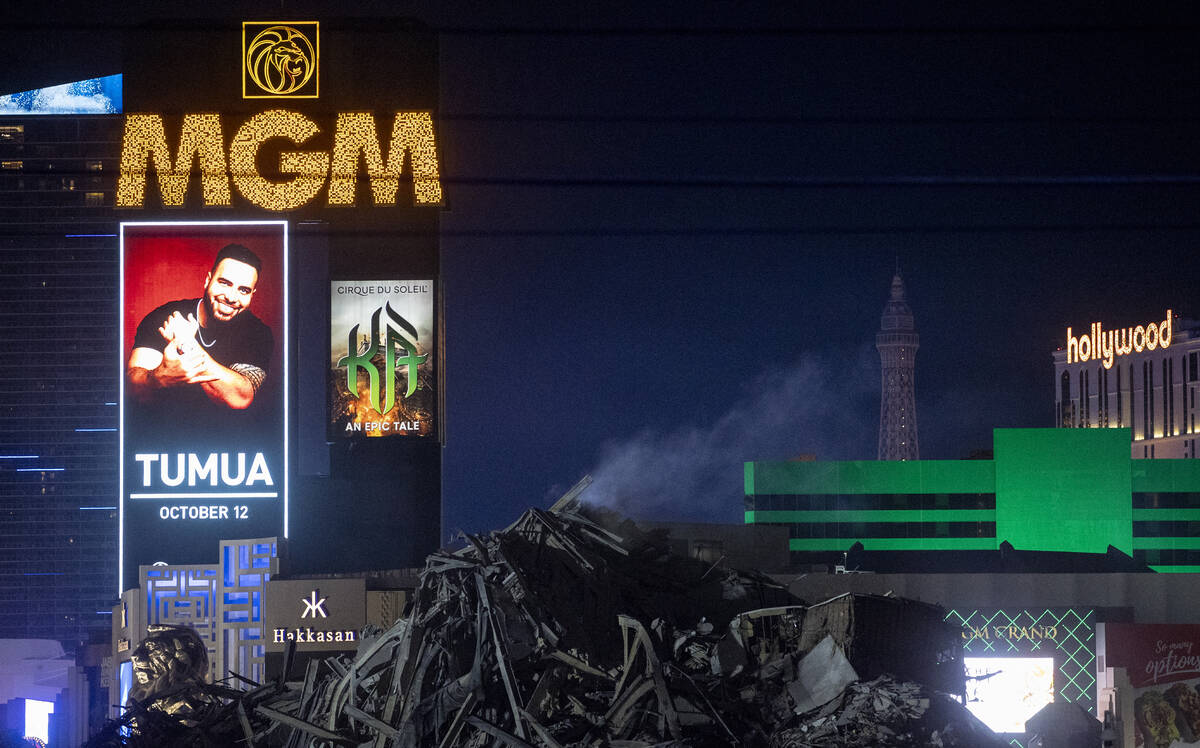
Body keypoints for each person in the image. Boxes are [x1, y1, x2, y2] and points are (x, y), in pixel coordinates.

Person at [127, 244, 273, 411]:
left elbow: (240, 398)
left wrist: (186, 345)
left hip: (227, 435)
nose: (232, 297)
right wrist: (156, 378)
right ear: (207, 280)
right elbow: (132, 389)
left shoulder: (259, 334)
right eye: (225, 283)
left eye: (244, 290)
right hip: (164, 431)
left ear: (252, 294)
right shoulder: (166, 316)